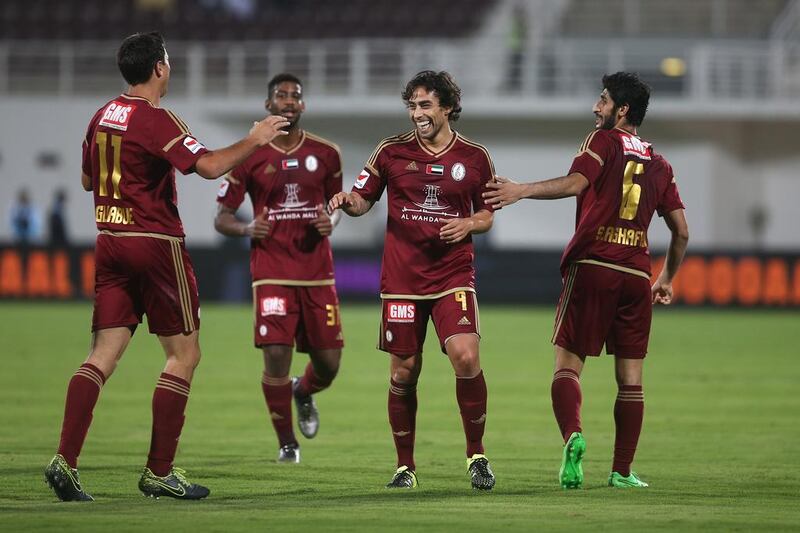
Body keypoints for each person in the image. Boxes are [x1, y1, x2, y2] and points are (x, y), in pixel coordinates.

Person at [44, 31, 289, 502]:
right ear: (159, 68)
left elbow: (85, 179)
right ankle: (159, 471)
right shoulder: (155, 119)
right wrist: (255, 139)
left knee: (102, 355)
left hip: (110, 241)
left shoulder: (101, 116)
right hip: (153, 244)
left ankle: (65, 460)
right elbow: (211, 167)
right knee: (184, 356)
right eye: (169, 61)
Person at [483, 72, 689, 489]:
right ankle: (623, 471)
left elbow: (576, 183)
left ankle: (573, 435)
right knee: (631, 379)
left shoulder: (602, 142)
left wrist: (521, 190)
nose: (597, 107)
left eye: (603, 100)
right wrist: (665, 278)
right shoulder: (660, 162)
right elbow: (682, 231)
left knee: (567, 367)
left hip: (594, 265)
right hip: (636, 275)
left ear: (622, 110)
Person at [328, 70, 497, 491]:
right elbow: (363, 201)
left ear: (447, 107)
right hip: (402, 279)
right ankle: (405, 466)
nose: (417, 113)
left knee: (466, 357)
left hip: (452, 274)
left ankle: (477, 455)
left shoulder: (475, 157)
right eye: (412, 105)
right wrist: (348, 201)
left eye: (425, 105)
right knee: (404, 372)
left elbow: (488, 215)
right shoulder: (390, 151)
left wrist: (469, 224)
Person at [214, 73, 344, 463]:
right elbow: (221, 218)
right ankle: (287, 443)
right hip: (271, 272)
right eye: (281, 96)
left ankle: (302, 391)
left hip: (317, 272)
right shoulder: (249, 154)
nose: (289, 102)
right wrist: (247, 228)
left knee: (329, 364)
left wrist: (331, 221)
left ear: (302, 106)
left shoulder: (327, 153)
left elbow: (336, 205)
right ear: (268, 105)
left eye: (295, 96)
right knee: (274, 353)